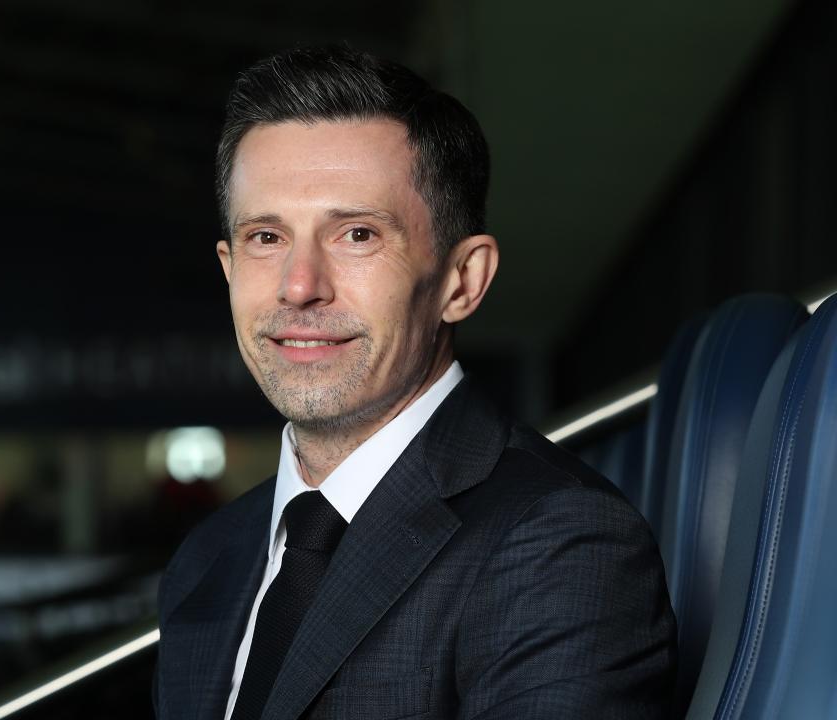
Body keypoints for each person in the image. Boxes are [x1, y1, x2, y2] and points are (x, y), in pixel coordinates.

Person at [154, 45, 677, 719]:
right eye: (265, 238)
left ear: (463, 281)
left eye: (358, 234)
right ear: (228, 268)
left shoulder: (561, 541)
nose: (299, 286)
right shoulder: (209, 557)